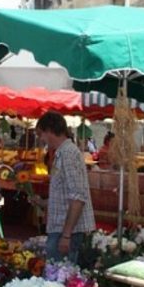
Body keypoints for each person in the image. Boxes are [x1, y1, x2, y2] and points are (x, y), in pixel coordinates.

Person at [32, 111, 95, 263]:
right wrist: (43, 203)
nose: (41, 139)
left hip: (67, 231)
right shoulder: (63, 153)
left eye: (41, 134)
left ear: (49, 130)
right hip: (62, 229)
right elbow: (68, 196)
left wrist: (66, 235)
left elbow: (78, 198)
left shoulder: (68, 154)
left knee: (60, 279)